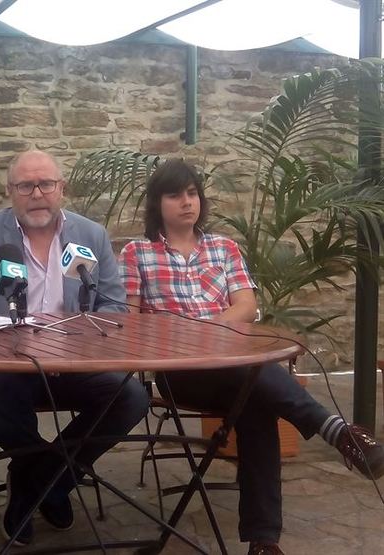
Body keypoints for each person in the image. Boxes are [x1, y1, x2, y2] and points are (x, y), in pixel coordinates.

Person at [118, 158, 384, 555]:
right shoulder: (137, 253)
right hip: (179, 370)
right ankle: (339, 432)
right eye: (175, 195)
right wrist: (192, 339)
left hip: (232, 362)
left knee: (257, 403)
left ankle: (264, 542)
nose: (186, 202)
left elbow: (245, 305)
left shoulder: (224, 248)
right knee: (255, 379)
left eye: (192, 193)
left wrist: (208, 333)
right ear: (157, 203)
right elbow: (132, 321)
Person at [0, 150, 149, 546]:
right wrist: (9, 333)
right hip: (8, 364)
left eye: (46, 184)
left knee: (130, 396)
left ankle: (38, 481)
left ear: (62, 189)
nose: (37, 193)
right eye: (25, 186)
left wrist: (81, 336)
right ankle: (51, 479)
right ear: (11, 191)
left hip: (75, 361)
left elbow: (115, 307)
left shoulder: (92, 235)